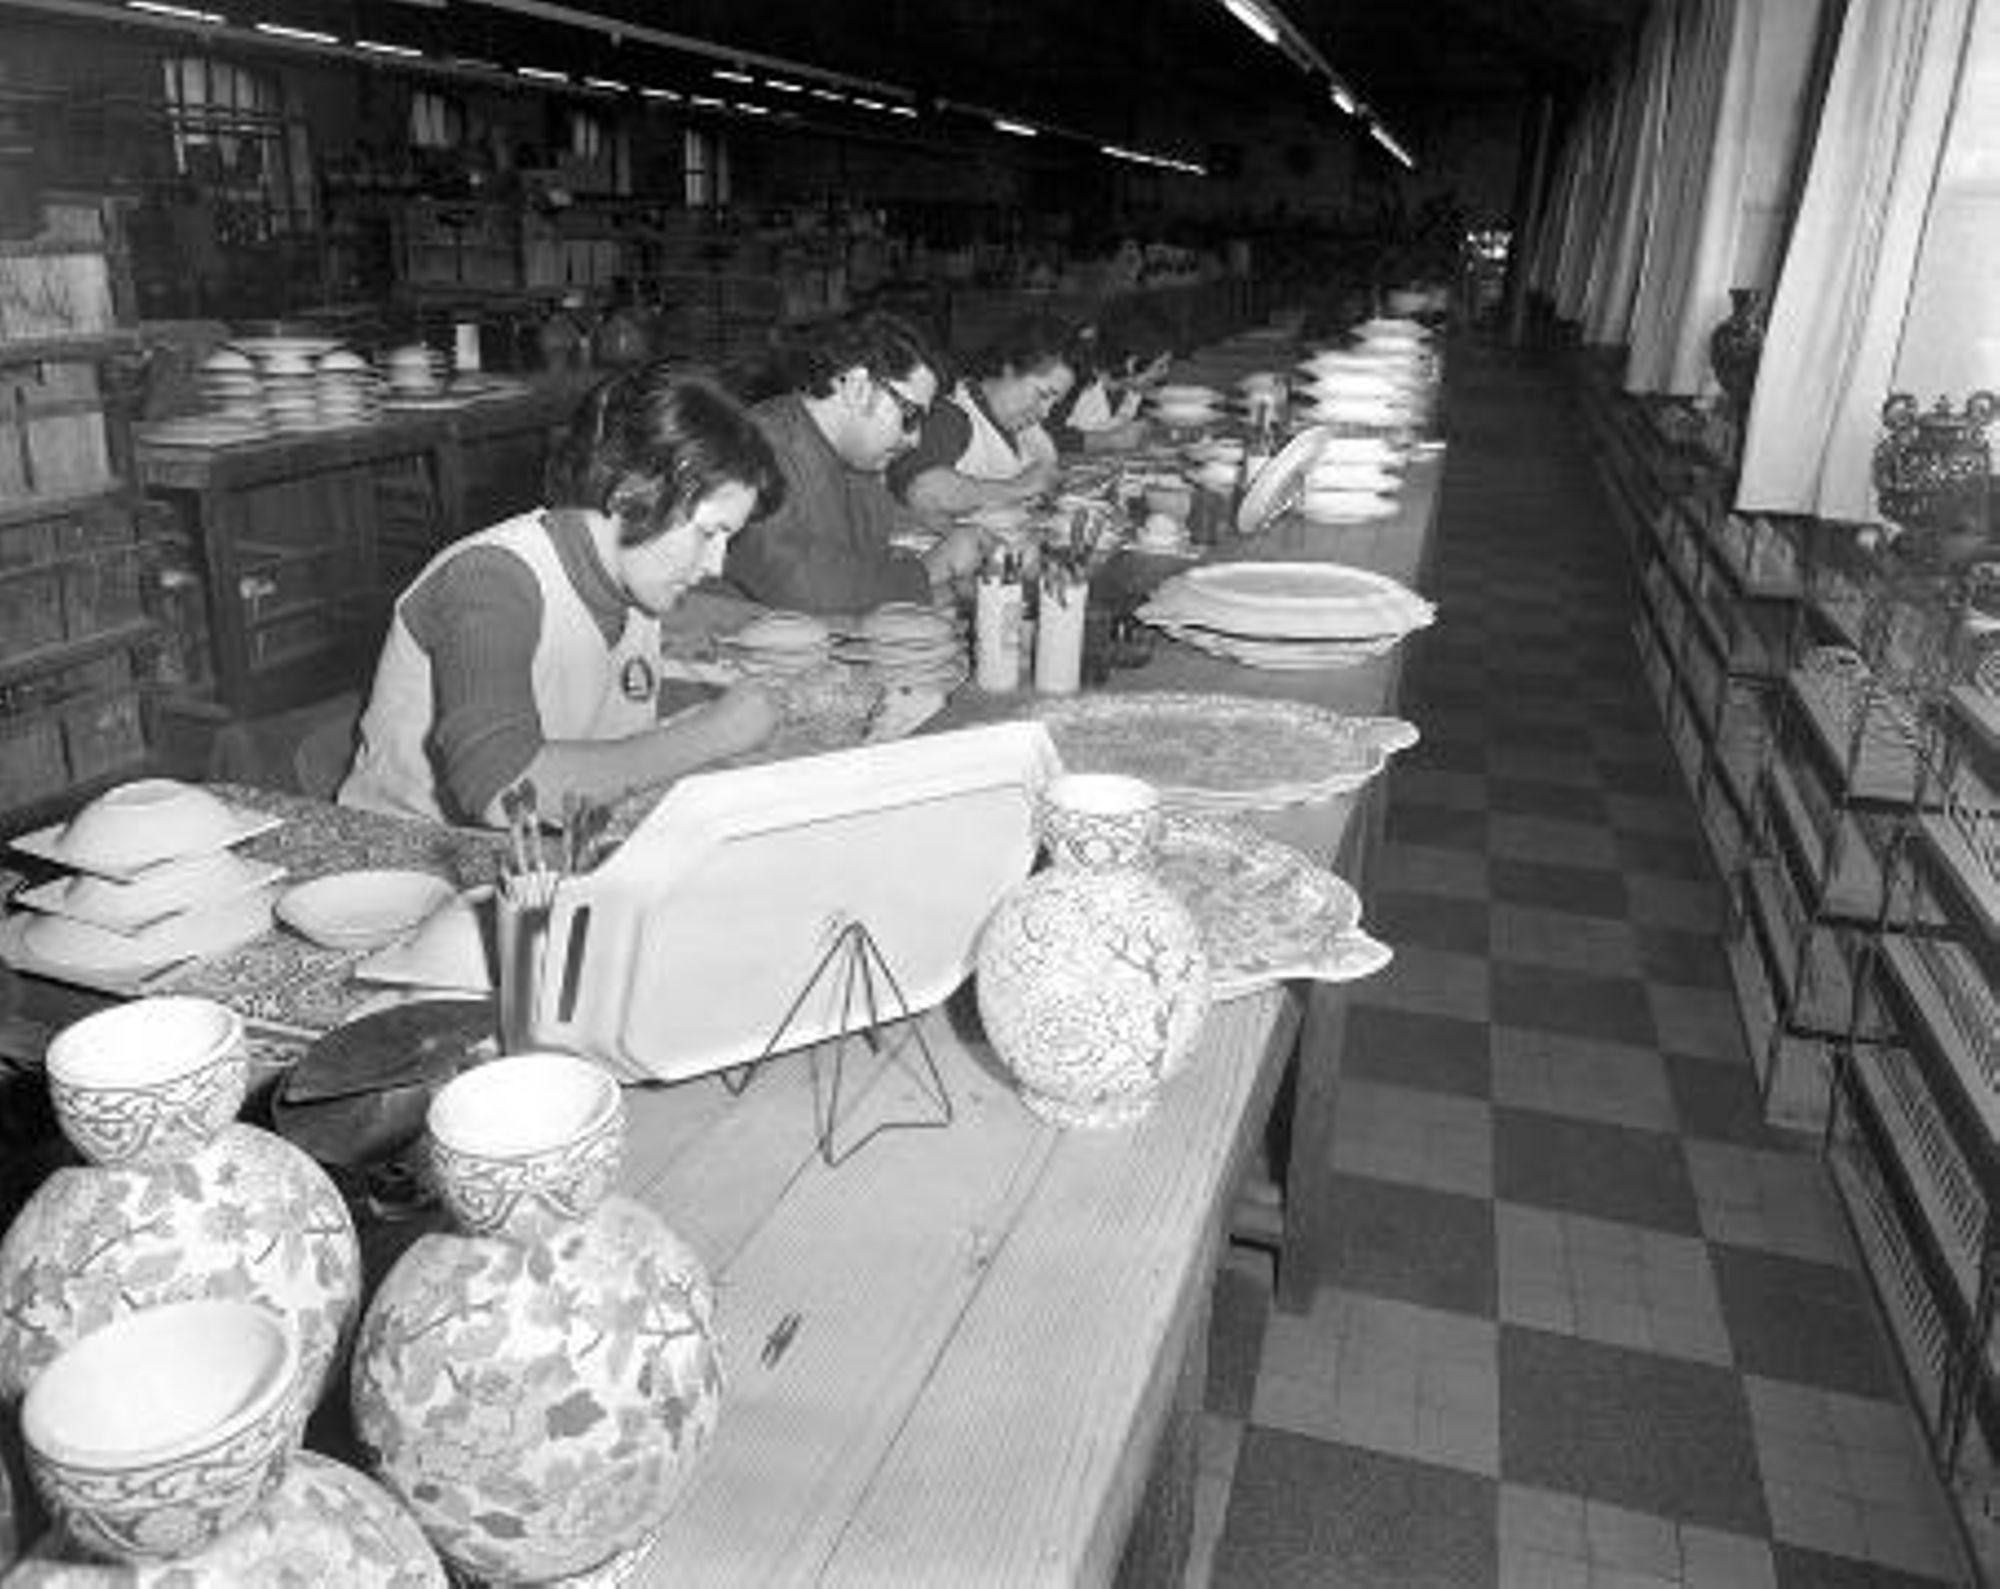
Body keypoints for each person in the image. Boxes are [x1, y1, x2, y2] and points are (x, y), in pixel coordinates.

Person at [339, 367, 786, 827]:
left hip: (542, 850)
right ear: (634, 491)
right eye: (710, 533)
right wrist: (711, 734)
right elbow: (504, 789)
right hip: (405, 862)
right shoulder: (489, 581)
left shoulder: (635, 582)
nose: (715, 565)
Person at [721, 308, 982, 617]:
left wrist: (941, 530)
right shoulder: (756, 446)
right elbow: (791, 581)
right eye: (910, 417)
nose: (915, 440)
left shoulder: (856, 460)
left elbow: (867, 539)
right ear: (858, 387)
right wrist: (928, 571)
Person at [887, 313, 1075, 516]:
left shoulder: (1022, 426)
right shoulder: (950, 415)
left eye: (1054, 403)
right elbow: (922, 490)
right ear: (1009, 369)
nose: (1045, 412)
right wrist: (1018, 488)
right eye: (1043, 395)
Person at [1054, 305, 1177, 454]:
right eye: (1160, 367)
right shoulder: (1075, 382)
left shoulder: (1135, 390)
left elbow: (1142, 419)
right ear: (1131, 364)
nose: (1165, 373)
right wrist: (1109, 441)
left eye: (1168, 365)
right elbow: (1045, 436)